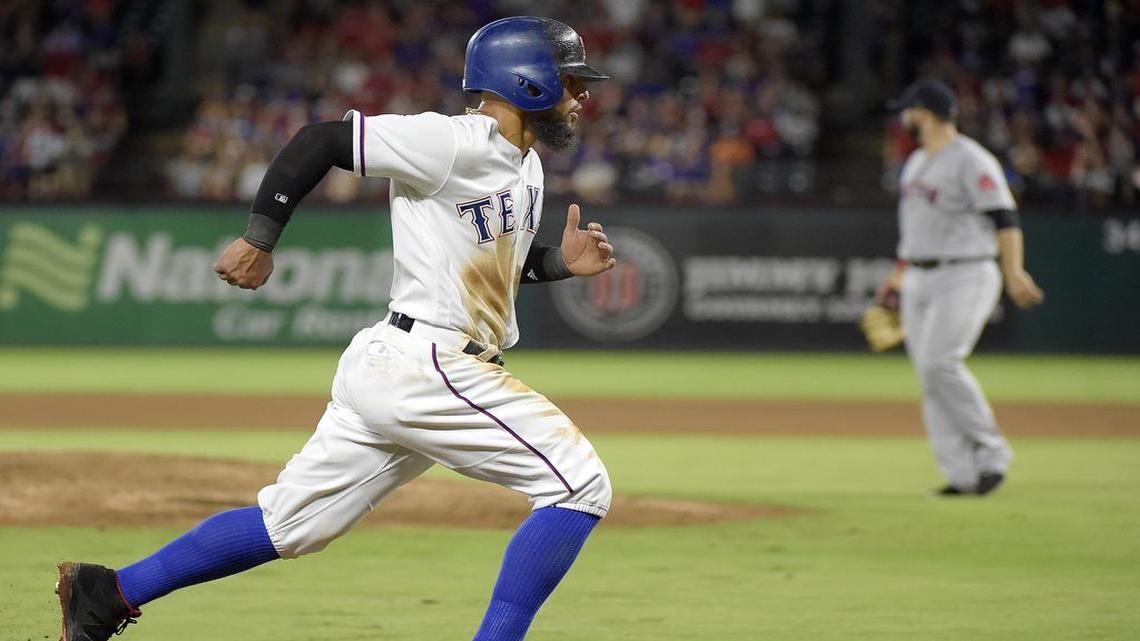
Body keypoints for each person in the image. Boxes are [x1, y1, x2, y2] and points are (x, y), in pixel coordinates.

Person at [56, 16, 617, 641]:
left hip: (404, 365)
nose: (583, 95)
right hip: (429, 364)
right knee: (580, 484)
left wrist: (560, 263)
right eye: (571, 81)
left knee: (291, 527)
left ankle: (108, 592)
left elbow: (497, 270)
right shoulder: (452, 141)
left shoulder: (527, 166)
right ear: (528, 82)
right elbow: (321, 140)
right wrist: (258, 238)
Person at [877, 79, 1044, 497]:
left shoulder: (972, 159)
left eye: (908, 111)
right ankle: (961, 475)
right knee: (929, 377)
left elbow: (1005, 218)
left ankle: (991, 451)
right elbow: (914, 229)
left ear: (925, 113)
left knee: (940, 363)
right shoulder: (915, 163)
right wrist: (899, 275)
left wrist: (1014, 272)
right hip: (919, 273)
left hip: (965, 271)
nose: (903, 119)